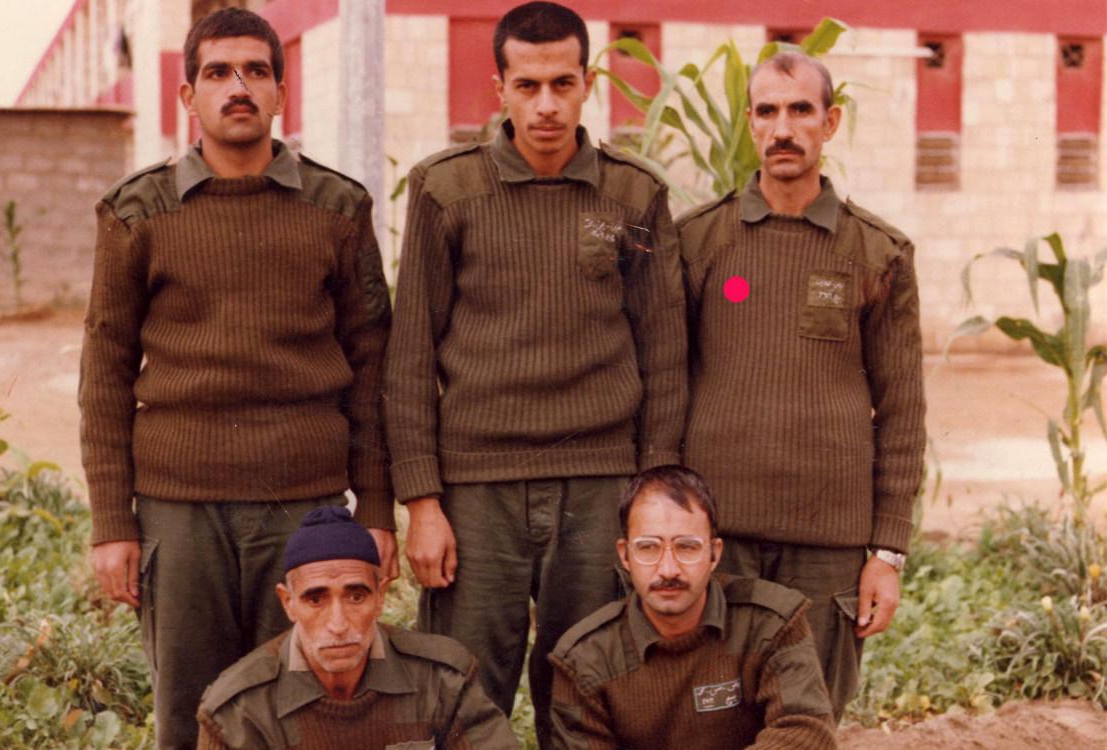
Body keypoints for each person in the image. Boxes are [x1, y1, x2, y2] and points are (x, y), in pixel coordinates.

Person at [79, 9, 397, 748]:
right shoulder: (138, 212)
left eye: (256, 71)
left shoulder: (337, 207)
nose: (239, 87)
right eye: (218, 72)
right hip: (180, 512)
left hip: (304, 503)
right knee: (191, 712)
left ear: (282, 91)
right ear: (188, 96)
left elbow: (372, 367)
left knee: (305, 708)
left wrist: (378, 505)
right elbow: (105, 371)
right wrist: (112, 521)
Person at [382, 2, 687, 745]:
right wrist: (423, 501)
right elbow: (410, 353)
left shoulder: (633, 194)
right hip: (477, 490)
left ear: (588, 85)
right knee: (460, 694)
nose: (546, 105)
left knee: (591, 694)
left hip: (599, 485)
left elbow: (665, 354)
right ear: (501, 90)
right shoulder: (446, 190)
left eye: (562, 84)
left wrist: (653, 494)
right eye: (527, 86)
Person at [675, 51, 926, 718]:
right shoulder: (697, 242)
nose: (783, 128)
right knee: (711, 719)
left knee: (807, 724)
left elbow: (902, 411)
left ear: (830, 122)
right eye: (767, 111)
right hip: (718, 541)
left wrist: (887, 553)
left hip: (829, 552)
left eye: (800, 110)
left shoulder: (878, 253)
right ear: (750, 123)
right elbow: (665, 388)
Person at [548, 465, 837, 750]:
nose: (668, 569)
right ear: (625, 555)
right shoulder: (584, 658)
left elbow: (806, 731)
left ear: (714, 553)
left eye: (687, 547)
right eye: (649, 547)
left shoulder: (772, 621)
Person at [196, 506, 519, 750]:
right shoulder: (238, 709)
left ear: (380, 596)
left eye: (356, 596)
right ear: (288, 602)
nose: (338, 625)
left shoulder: (442, 679)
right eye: (315, 600)